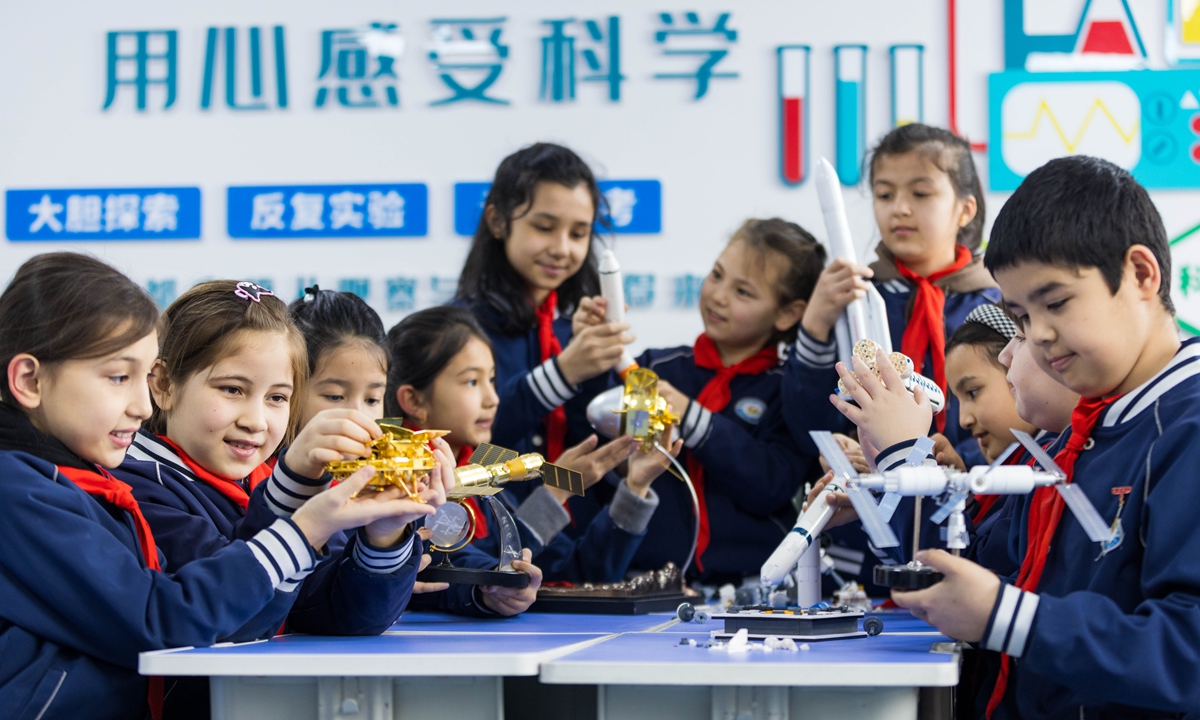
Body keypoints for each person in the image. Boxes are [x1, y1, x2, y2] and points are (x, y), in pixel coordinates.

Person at [0, 254, 427, 720]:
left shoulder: (75, 479)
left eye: (278, 397)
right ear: (28, 379)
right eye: (119, 377)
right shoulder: (24, 489)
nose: (141, 406)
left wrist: (386, 529)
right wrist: (303, 529)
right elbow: (164, 620)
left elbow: (325, 611)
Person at [858, 156, 1200, 718]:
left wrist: (1007, 615)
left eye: (1056, 302)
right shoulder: (1090, 430)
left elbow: (1185, 650)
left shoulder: (1181, 428)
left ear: (1141, 275)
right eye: (1018, 315)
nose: (1038, 336)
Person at [578, 218, 822, 586]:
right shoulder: (653, 367)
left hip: (754, 587)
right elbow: (611, 465)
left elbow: (770, 487)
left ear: (788, 313)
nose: (719, 295)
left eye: (743, 292)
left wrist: (693, 417)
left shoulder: (789, 389)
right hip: (647, 583)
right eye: (717, 275)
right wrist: (593, 356)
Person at [386, 306, 676, 586]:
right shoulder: (404, 486)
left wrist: (635, 487)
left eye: (492, 379)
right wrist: (556, 490)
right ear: (413, 401)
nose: (493, 398)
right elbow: (468, 572)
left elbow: (582, 573)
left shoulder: (482, 469)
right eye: (472, 382)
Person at [453, 143, 635, 536]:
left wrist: (600, 373)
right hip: (488, 552)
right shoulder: (457, 332)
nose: (562, 248)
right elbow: (466, 442)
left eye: (578, 232)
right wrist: (564, 372)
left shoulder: (570, 332)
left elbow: (588, 453)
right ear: (498, 222)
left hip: (573, 554)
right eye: (544, 227)